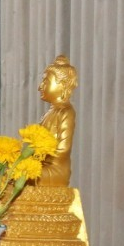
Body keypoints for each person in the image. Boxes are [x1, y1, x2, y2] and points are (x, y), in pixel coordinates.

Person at [36, 54, 78, 187]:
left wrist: (39, 158)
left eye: (46, 81)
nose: (40, 86)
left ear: (63, 85)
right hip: (41, 164)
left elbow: (63, 149)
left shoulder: (66, 112)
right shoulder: (48, 113)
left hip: (55, 169)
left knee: (24, 174)